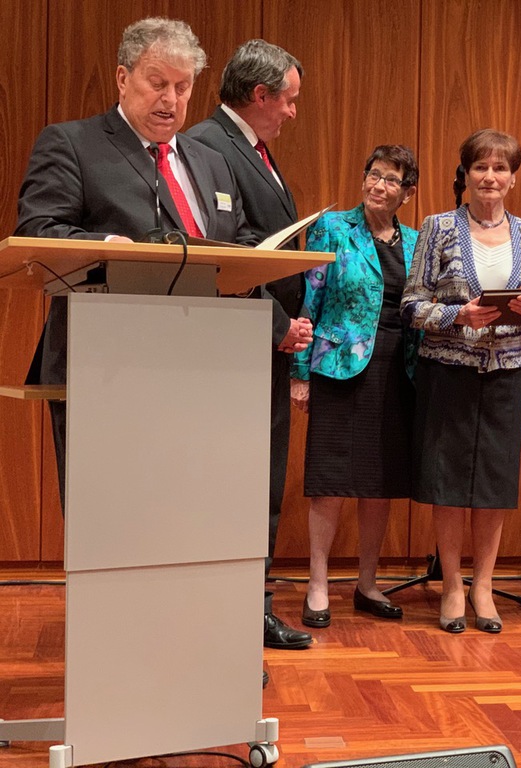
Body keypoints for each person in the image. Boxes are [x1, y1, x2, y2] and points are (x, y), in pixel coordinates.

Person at [17, 17, 262, 506]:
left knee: (195, 508)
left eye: (183, 87)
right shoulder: (72, 143)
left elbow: (237, 238)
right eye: (157, 83)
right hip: (105, 361)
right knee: (111, 512)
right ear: (122, 78)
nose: (170, 99)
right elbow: (38, 230)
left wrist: (256, 260)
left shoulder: (211, 161)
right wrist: (111, 246)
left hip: (210, 363)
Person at [187, 39, 312, 653]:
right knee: (234, 483)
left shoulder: (250, 148)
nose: (292, 112)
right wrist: (276, 323)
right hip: (235, 343)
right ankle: (227, 615)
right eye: (288, 100)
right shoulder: (206, 147)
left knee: (261, 481)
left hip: (262, 344)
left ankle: (250, 607)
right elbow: (225, 254)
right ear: (259, 95)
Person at [401, 129, 521, 634]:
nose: (490, 177)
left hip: (508, 373)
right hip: (448, 371)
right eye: (480, 167)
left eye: (500, 168)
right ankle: (451, 585)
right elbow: (411, 305)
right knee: (446, 482)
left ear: (513, 177)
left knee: (494, 483)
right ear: (465, 174)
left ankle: (483, 586)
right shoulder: (438, 227)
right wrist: (457, 314)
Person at [289, 146, 420, 628]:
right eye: (373, 174)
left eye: (391, 180)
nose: (378, 185)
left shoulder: (416, 241)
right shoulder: (332, 228)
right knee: (329, 481)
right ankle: (318, 584)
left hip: (398, 369)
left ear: (407, 193)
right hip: (339, 367)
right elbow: (309, 299)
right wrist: (300, 372)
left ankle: (368, 583)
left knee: (379, 484)